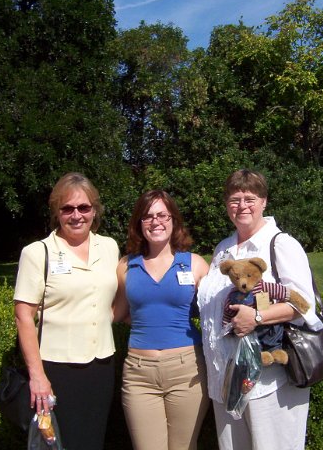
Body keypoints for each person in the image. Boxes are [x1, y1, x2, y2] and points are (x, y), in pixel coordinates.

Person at [197, 169, 323, 450]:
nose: (242, 206)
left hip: (268, 381)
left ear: (264, 202)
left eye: (250, 198)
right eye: (234, 199)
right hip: (227, 378)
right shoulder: (223, 249)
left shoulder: (281, 244)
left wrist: (256, 317)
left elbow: (303, 303)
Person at [13, 172, 119, 450]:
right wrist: (37, 376)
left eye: (84, 207)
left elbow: (114, 301)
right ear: (56, 212)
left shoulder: (109, 247)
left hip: (101, 366)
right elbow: (24, 316)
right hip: (56, 370)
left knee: (93, 440)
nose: (76, 215)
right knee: (58, 443)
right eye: (67, 208)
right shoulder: (38, 253)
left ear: (94, 210)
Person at [113, 189, 210, 450]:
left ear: (173, 220)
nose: (155, 222)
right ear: (139, 224)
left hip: (187, 371)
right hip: (138, 374)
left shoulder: (195, 264)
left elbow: (215, 314)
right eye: (147, 216)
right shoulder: (126, 265)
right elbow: (118, 313)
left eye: (162, 215)